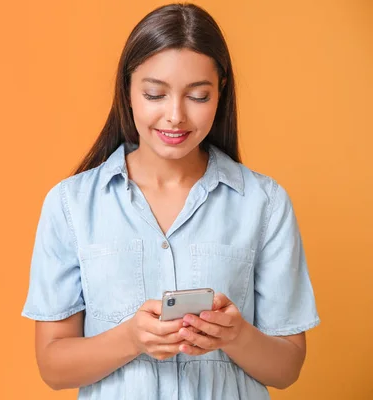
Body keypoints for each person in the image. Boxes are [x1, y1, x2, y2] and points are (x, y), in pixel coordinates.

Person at [21, 3, 320, 399]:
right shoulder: (71, 205)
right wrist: (131, 338)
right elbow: (52, 366)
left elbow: (287, 368)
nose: (175, 116)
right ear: (127, 90)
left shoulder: (264, 204)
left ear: (221, 92)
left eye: (197, 96)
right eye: (154, 94)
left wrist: (235, 335)